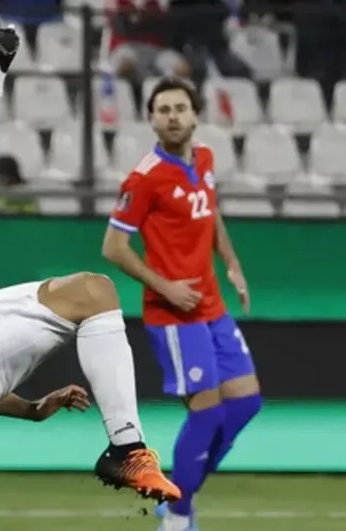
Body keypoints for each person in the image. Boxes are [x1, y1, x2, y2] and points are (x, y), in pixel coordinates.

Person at [102, 76, 262, 531]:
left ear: (194, 115)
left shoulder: (205, 159)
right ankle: (177, 513)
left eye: (179, 108)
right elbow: (113, 247)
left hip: (211, 305)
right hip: (174, 315)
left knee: (246, 404)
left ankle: (178, 490)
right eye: (163, 110)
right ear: (151, 120)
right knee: (207, 412)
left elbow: (210, 212)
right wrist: (165, 287)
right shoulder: (144, 177)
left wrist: (231, 263)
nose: (172, 116)